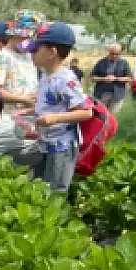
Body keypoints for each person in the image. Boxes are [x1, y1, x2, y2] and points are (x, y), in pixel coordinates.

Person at [30, 23, 93, 193]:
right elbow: (52, 105)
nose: (31, 52)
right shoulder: (46, 76)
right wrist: (29, 112)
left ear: (52, 52)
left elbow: (86, 111)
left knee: (56, 192)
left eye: (36, 48)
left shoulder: (66, 79)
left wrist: (55, 118)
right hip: (45, 142)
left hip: (62, 146)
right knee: (40, 189)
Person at [0, 26, 37, 109]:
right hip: (10, 116)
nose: (32, 44)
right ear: (16, 35)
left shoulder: (28, 55)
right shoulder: (4, 57)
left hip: (29, 114)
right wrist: (23, 99)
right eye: (29, 39)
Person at [90, 41, 134, 115]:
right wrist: (104, 79)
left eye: (117, 54)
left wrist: (116, 79)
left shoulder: (124, 63)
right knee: (100, 116)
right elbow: (92, 77)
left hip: (117, 95)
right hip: (101, 94)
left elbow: (129, 78)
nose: (114, 56)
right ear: (109, 52)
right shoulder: (101, 62)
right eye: (112, 53)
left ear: (120, 53)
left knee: (113, 117)